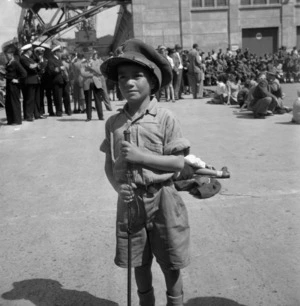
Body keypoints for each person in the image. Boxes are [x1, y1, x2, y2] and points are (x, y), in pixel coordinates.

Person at [100, 38, 190, 306]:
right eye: (122, 77)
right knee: (137, 260)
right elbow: (109, 163)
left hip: (164, 198)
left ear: (152, 82)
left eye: (137, 75)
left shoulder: (165, 118)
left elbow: (177, 164)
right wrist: (119, 187)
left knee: (170, 261)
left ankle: (175, 301)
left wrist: (141, 157)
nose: (129, 82)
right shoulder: (113, 123)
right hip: (130, 203)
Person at [3, 46, 27, 125]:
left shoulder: (15, 62)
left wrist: (18, 80)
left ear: (11, 54)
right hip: (9, 86)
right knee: (8, 103)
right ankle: (10, 120)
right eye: (6, 55)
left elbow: (24, 73)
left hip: (14, 86)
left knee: (15, 103)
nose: (7, 56)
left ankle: (17, 120)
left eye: (8, 55)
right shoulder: (8, 63)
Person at [20, 43, 44, 121]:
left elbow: (36, 67)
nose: (31, 52)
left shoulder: (30, 59)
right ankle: (28, 115)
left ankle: (36, 114)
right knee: (29, 99)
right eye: (30, 51)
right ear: (27, 51)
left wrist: (38, 64)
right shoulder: (23, 58)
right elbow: (30, 67)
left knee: (36, 98)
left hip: (35, 80)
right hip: (29, 80)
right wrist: (36, 64)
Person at [80, 57, 104, 121]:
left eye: (90, 55)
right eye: (87, 54)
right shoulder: (83, 64)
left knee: (98, 100)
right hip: (87, 83)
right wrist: (92, 74)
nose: (88, 56)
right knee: (88, 100)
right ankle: (88, 117)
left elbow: (100, 72)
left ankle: (100, 116)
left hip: (96, 83)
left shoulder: (97, 62)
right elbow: (83, 73)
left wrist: (92, 67)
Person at [47, 45, 66, 117]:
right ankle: (58, 111)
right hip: (56, 81)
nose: (60, 53)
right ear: (55, 52)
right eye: (59, 52)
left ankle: (60, 110)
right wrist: (60, 68)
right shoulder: (51, 60)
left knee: (60, 97)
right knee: (57, 97)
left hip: (61, 80)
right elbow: (51, 71)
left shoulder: (59, 60)